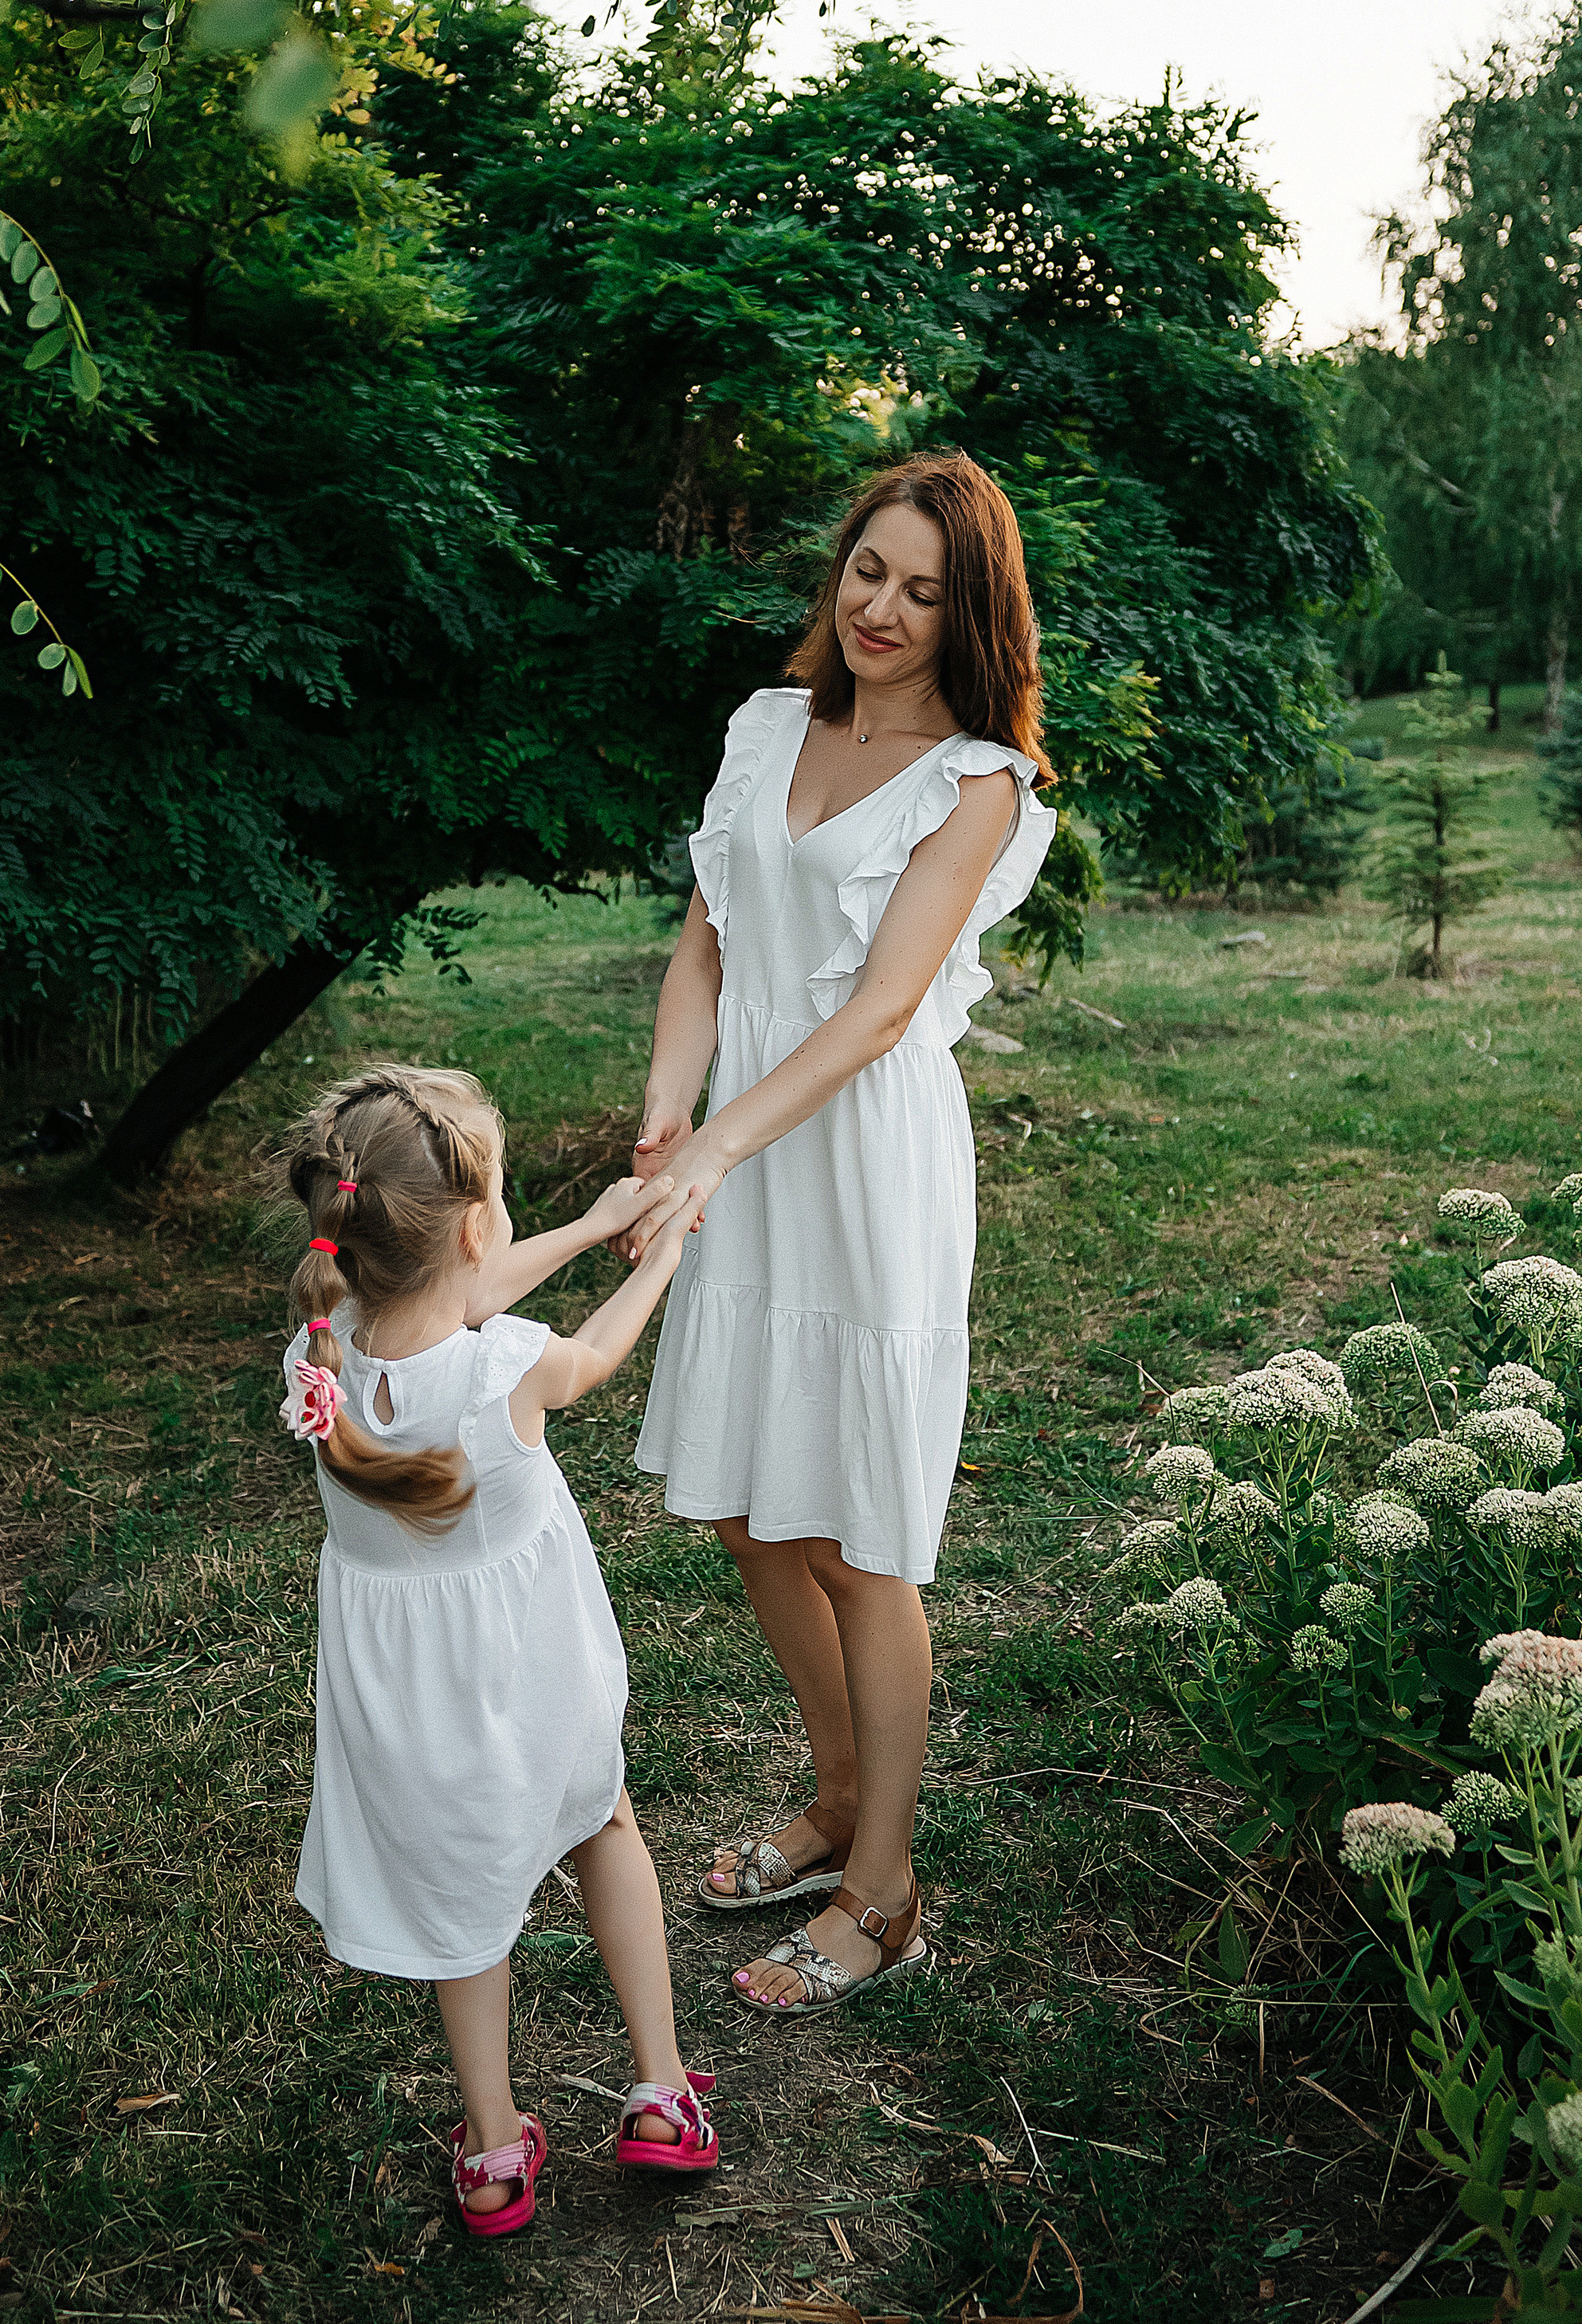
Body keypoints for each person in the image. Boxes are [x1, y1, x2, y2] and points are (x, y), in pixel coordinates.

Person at [624, 453, 1058, 2015]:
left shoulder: (974, 785)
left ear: (969, 616)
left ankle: (883, 1891)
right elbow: (708, 941)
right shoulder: (761, 727)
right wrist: (672, 1114)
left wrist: (720, 1145)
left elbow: (878, 1012)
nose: (882, 608)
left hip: (858, 1171)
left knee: (858, 1541)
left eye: (924, 591)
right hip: (739, 1156)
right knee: (750, 1511)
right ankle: (828, 1793)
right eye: (868, 570)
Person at [278, 1062, 718, 2238]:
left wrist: (587, 1223)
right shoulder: (506, 1368)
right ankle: (664, 2091)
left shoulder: (323, 1353)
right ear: (477, 1227)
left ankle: (489, 2151)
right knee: (604, 1825)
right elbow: (594, 1351)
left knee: (462, 1914)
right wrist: (661, 1251)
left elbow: (453, 1300)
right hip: (532, 1677)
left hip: (406, 1710)